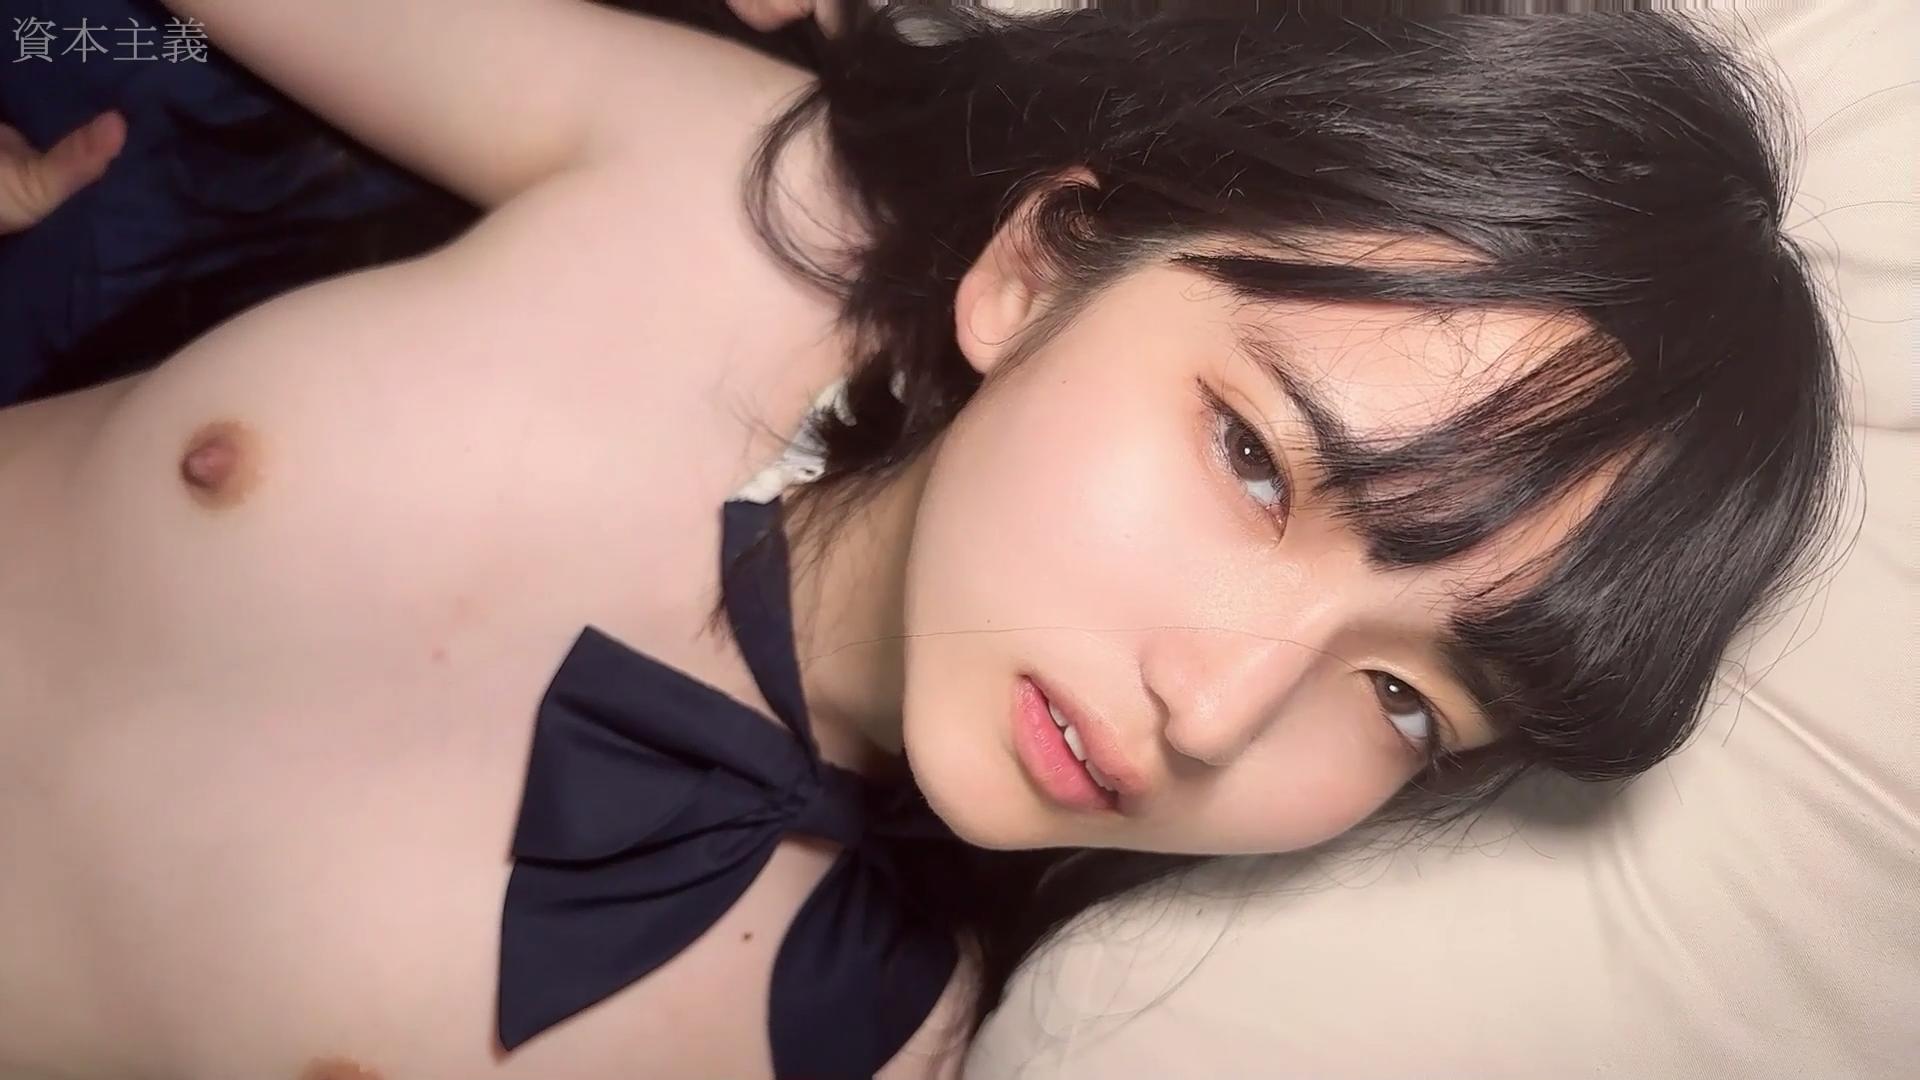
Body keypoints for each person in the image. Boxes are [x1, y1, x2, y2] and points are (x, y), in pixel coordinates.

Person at [0, 2, 1844, 1079]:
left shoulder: (856, 1043)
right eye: (1257, 462)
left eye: (1409, 703)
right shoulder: (740, 193)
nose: (1216, 710)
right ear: (1035, 267)